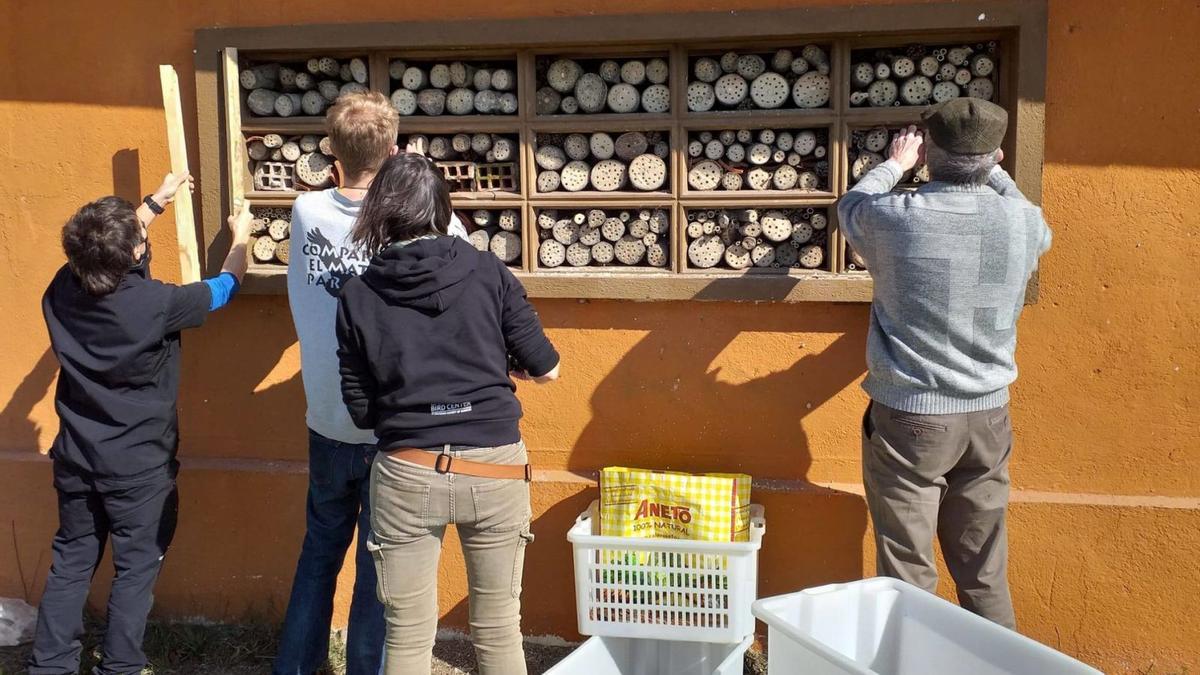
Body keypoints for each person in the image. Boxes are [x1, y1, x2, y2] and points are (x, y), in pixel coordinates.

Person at [335, 153, 559, 675]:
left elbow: (363, 411)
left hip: (407, 469)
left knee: (409, 637)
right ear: (443, 208)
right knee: (500, 626)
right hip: (495, 467)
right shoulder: (487, 270)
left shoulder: (358, 293)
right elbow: (546, 368)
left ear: (381, 213)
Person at [838, 97, 1052, 630]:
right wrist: (995, 173)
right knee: (983, 571)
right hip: (989, 416)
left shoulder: (894, 216)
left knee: (908, 571)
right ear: (996, 155)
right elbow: (1028, 214)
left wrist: (895, 164)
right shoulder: (1024, 223)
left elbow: (850, 207)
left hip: (912, 417)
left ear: (928, 151)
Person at [275, 91, 467, 675]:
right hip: (394, 419)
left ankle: (295, 666)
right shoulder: (422, 218)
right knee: (379, 565)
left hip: (327, 414)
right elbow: (466, 263)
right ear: (395, 148)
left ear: (330, 150)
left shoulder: (306, 213)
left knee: (319, 552)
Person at [31, 175, 252, 675]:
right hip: (139, 471)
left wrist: (155, 202)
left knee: (71, 562)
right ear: (134, 254)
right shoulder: (157, 306)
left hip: (77, 459)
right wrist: (242, 238)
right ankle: (121, 665)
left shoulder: (62, 289)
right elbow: (225, 287)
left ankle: (50, 666)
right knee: (134, 570)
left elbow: (104, 253)